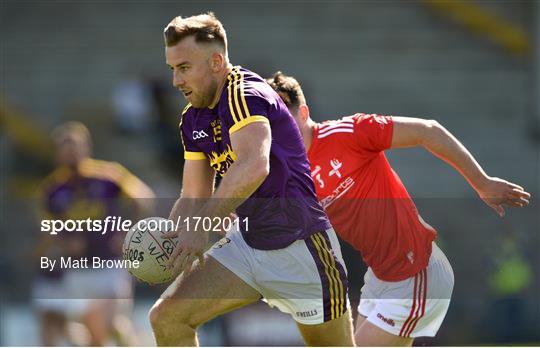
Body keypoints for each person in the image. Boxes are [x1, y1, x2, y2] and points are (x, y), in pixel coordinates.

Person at [266, 72, 531, 346]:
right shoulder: (292, 175)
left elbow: (428, 130)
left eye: (286, 122)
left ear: (304, 113)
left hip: (415, 271)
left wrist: (482, 183)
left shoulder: (350, 132)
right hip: (381, 278)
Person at [149, 13, 354, 346]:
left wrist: (199, 228)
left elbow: (254, 166)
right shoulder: (192, 118)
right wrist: (171, 240)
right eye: (172, 69)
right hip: (247, 245)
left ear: (216, 62)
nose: (176, 81)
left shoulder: (244, 93)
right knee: (168, 318)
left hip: (301, 247)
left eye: (184, 68)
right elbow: (193, 194)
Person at [36, 121, 154, 346]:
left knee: (110, 324)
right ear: (57, 154)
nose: (71, 152)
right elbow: (46, 227)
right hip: (78, 270)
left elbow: (143, 198)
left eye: (75, 146)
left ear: (87, 147)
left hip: (111, 264)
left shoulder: (108, 175)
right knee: (95, 337)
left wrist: (129, 233)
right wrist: (64, 241)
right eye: (65, 147)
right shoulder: (52, 189)